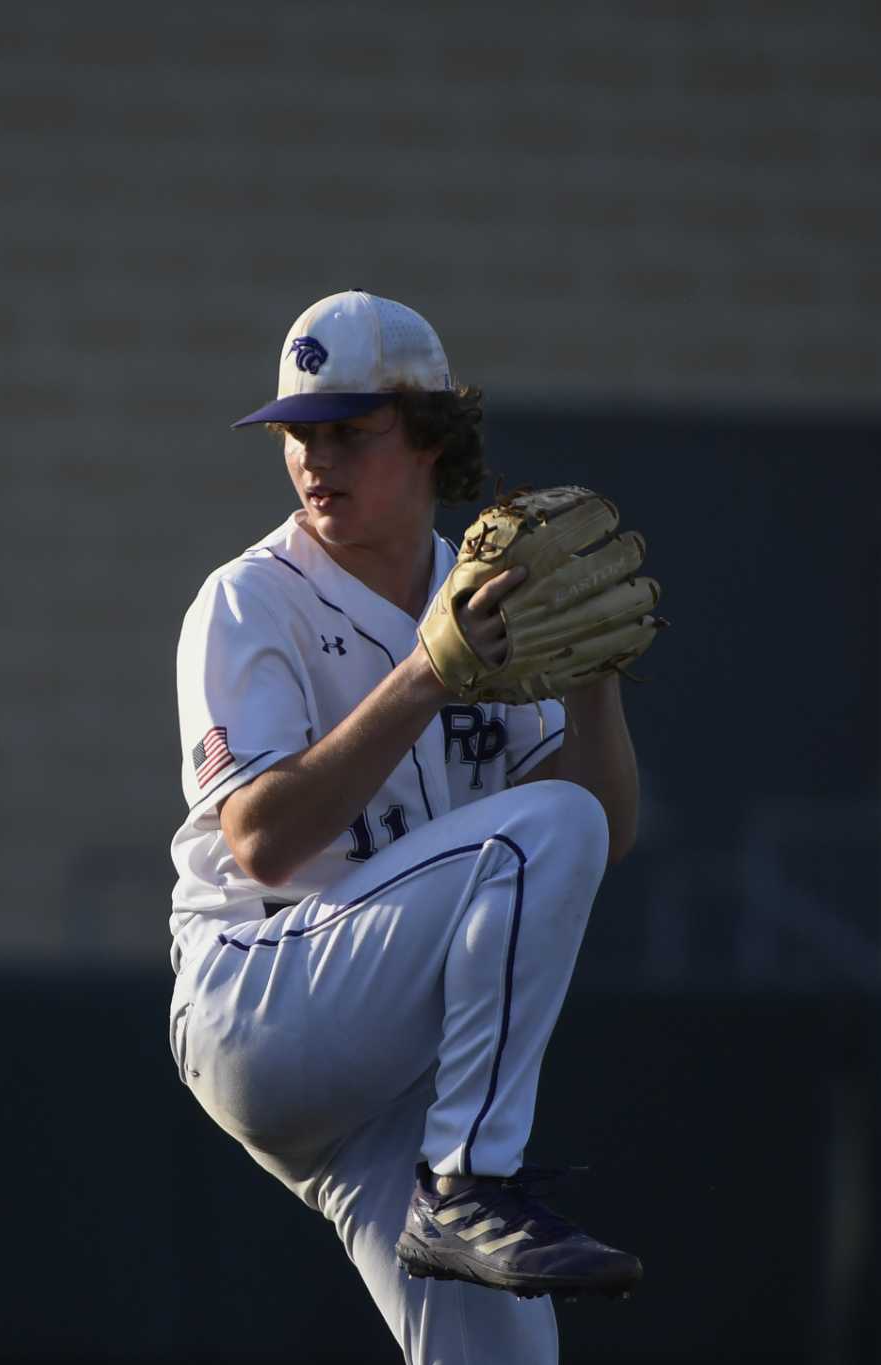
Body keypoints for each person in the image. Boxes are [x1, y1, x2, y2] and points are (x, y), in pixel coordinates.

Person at [167, 290, 643, 1363]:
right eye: (298, 434)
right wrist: (430, 670)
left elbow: (598, 839)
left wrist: (594, 684)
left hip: (392, 1076)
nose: (312, 459)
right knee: (540, 828)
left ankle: (457, 1182)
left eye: (347, 430)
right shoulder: (249, 599)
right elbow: (261, 842)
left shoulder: (480, 594)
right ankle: (472, 1183)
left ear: (429, 436)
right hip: (264, 995)